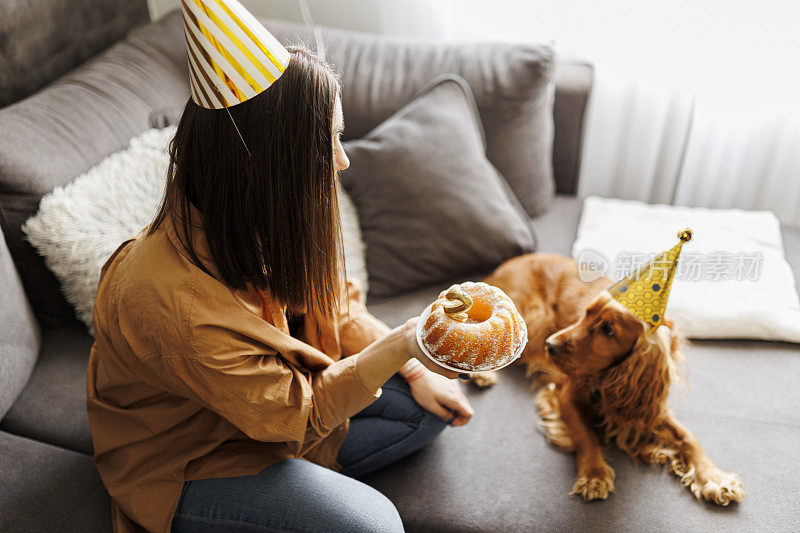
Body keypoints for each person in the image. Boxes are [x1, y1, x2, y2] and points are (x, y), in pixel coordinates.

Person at [85, 2, 474, 532]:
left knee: (428, 406)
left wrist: (412, 367)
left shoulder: (268, 216)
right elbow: (302, 415)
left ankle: (299, 492)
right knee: (374, 524)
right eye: (327, 142)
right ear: (267, 161)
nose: (342, 160)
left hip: (265, 410)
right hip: (196, 458)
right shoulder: (173, 304)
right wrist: (406, 342)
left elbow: (336, 305)